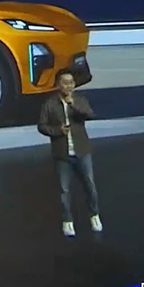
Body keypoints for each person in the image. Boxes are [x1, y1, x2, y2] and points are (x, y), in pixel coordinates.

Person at [37, 69, 102, 237]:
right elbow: (41, 126)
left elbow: (90, 115)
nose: (69, 86)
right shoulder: (49, 104)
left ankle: (94, 215)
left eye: (71, 83)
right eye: (65, 83)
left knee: (90, 185)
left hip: (82, 150)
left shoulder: (79, 100)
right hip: (62, 154)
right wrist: (57, 130)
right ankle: (67, 220)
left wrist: (73, 105)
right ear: (58, 85)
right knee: (64, 190)